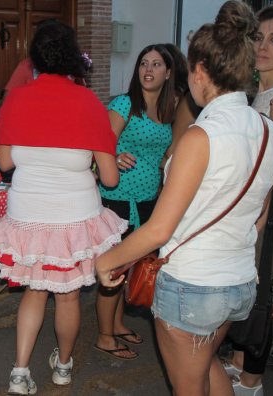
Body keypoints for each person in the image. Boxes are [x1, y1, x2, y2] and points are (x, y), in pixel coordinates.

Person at [95, 1, 273, 395]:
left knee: (188, 386)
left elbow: (160, 228)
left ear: (199, 72)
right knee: (207, 367)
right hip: (239, 280)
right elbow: (261, 214)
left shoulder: (201, 136)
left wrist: (108, 260)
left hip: (194, 286)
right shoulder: (267, 128)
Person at [0, 21, 127, 395]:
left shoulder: (15, 99)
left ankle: (19, 372)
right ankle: (63, 367)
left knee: (34, 291)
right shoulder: (90, 104)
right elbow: (110, 179)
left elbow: (6, 164)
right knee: (67, 295)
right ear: (72, 55)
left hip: (28, 213)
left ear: (36, 56)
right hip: (74, 216)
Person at [94, 43, 176, 360]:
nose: (148, 70)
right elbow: (99, 144)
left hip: (148, 201)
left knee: (129, 268)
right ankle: (103, 335)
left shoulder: (167, 111)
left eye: (156, 64)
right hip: (118, 200)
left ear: (168, 73)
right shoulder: (125, 104)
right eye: (144, 63)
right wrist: (114, 154)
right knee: (114, 269)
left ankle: (115, 324)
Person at [221, 4, 273, 395]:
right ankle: (241, 362)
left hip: (272, 213)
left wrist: (257, 220)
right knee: (250, 290)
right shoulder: (255, 92)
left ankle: (252, 382)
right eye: (258, 37)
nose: (264, 46)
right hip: (252, 210)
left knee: (262, 294)